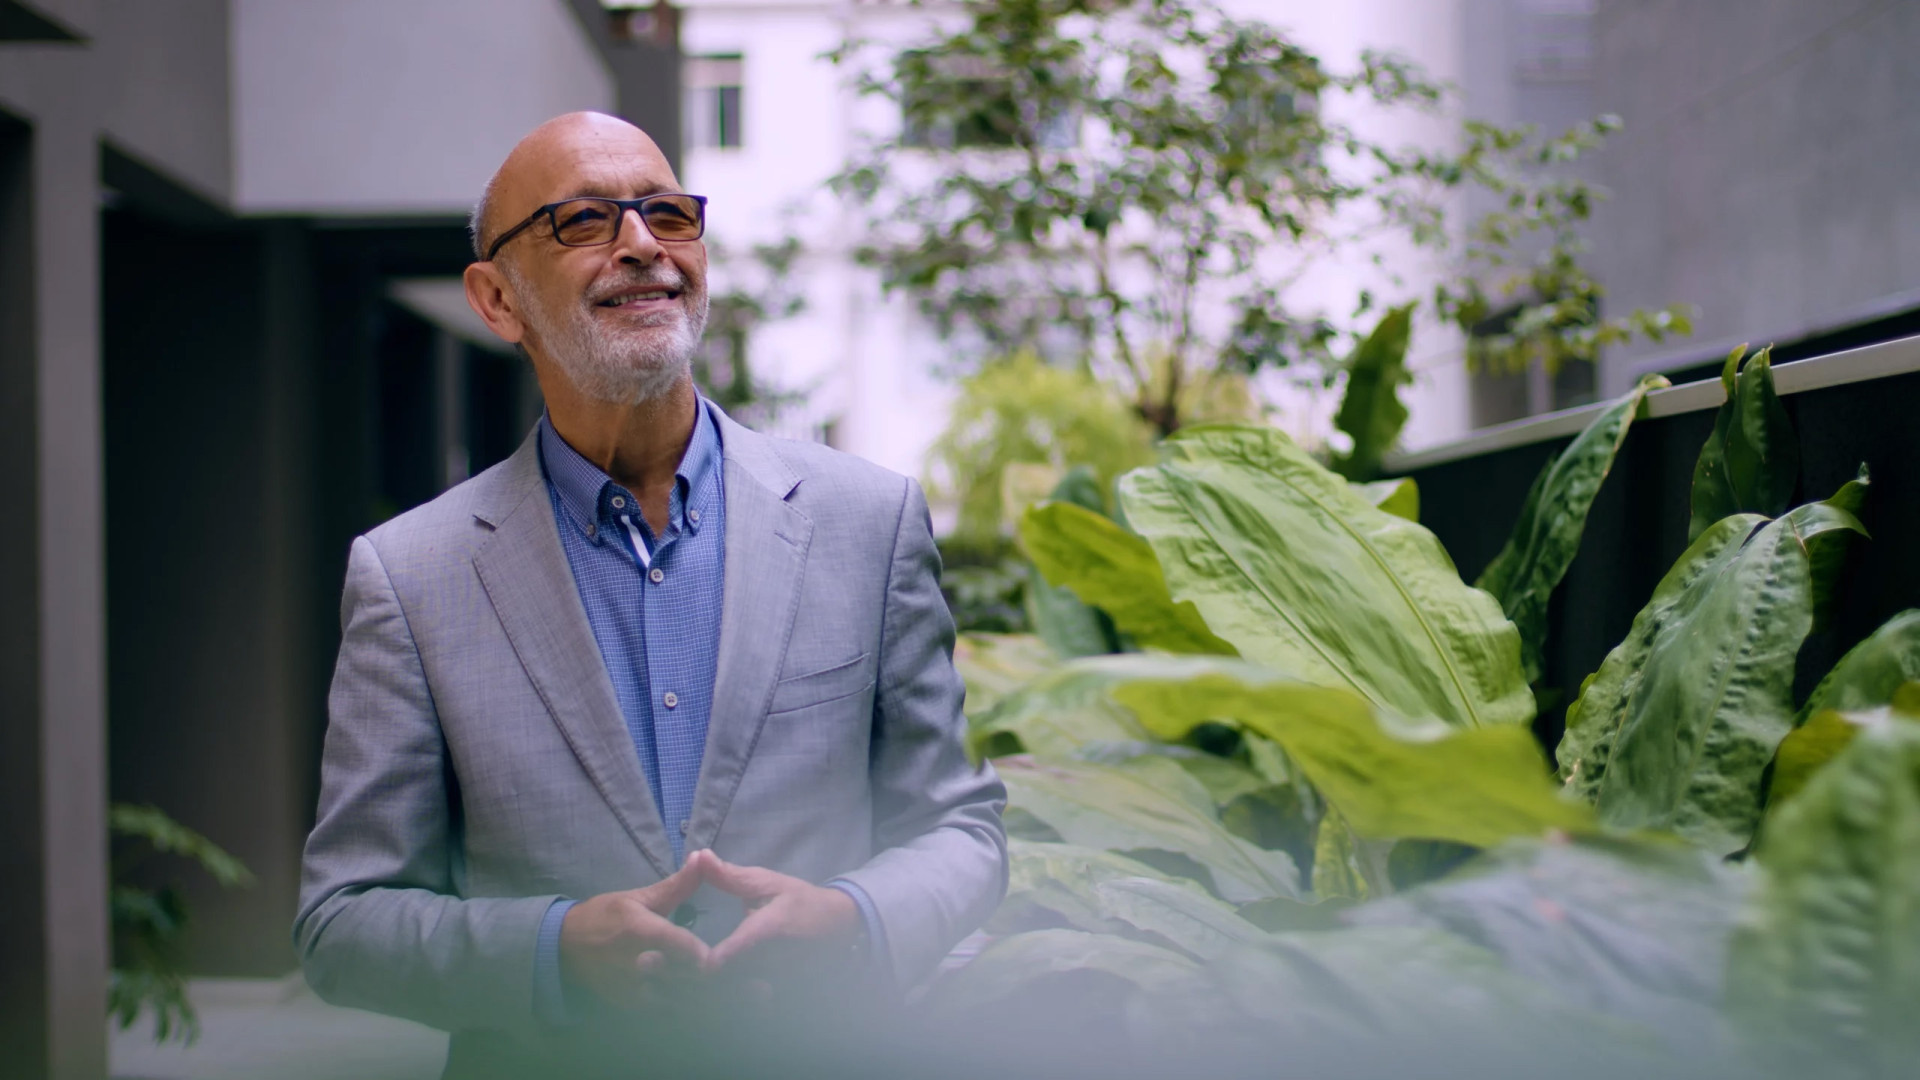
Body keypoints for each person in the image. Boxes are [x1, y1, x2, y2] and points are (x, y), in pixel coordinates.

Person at [293, 111, 1008, 1078]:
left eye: (668, 213)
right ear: (497, 300)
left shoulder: (866, 521)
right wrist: (551, 952)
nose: (643, 244)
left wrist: (852, 920)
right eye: (583, 220)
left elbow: (959, 831)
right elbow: (343, 922)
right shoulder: (409, 575)